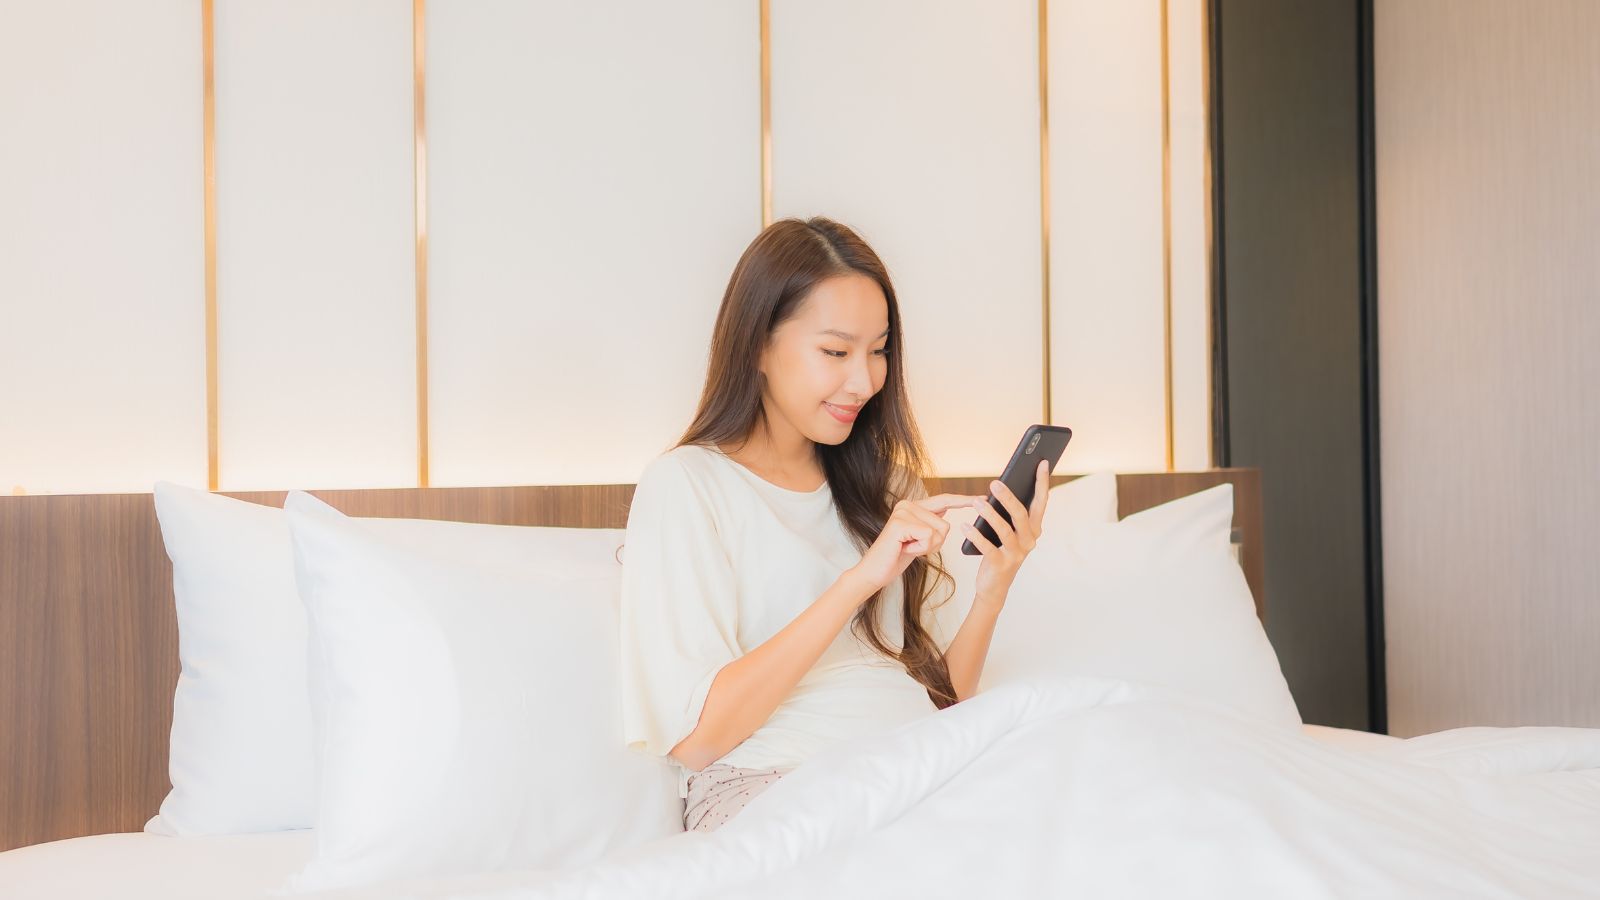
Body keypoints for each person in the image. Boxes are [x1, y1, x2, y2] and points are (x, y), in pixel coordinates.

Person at [618, 216, 1053, 833]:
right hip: (771, 788)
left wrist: (993, 587)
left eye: (878, 350)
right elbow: (698, 739)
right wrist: (858, 580)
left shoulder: (886, 489)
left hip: (921, 766)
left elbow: (939, 706)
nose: (866, 379)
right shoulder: (688, 485)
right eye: (835, 351)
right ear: (759, 345)